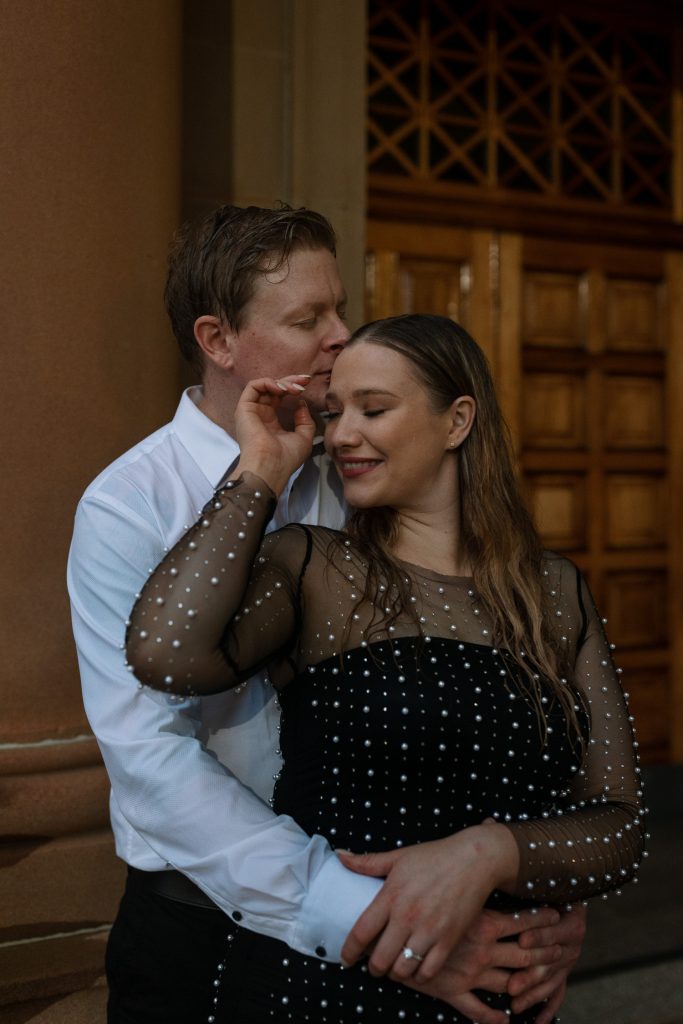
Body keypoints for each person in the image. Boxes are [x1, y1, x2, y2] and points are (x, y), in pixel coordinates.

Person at [68, 205, 586, 1024]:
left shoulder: (370, 466)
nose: (341, 335)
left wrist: (539, 888)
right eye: (309, 319)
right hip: (212, 930)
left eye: (340, 308)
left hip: (419, 903)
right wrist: (366, 918)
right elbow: (153, 761)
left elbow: (482, 682)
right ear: (218, 340)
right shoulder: (127, 505)